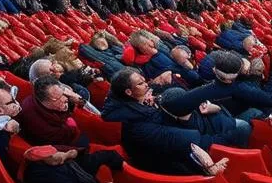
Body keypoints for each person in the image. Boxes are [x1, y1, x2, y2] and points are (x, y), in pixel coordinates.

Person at [101, 67, 240, 175]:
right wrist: (231, 135)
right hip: (177, 165)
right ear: (128, 92)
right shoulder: (138, 127)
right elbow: (190, 141)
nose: (146, 85)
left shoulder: (133, 107)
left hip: (184, 141)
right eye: (140, 83)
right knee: (242, 127)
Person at [20, 74, 89, 149]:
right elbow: (69, 136)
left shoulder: (40, 97)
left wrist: (76, 98)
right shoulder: (40, 123)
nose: (64, 99)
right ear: (44, 101)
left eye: (63, 93)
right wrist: (71, 123)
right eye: (57, 98)